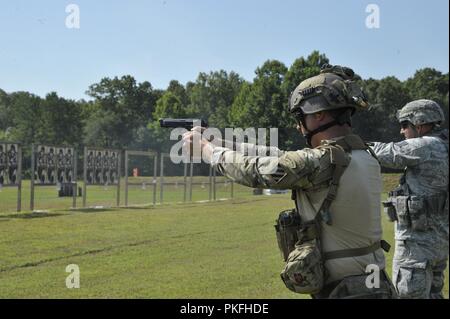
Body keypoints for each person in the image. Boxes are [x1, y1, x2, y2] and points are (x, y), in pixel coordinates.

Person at [183, 64, 396, 299]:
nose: (298, 125)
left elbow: (255, 170)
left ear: (318, 114)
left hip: (347, 291)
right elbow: (277, 155)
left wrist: (206, 150)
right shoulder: (361, 154)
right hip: (372, 284)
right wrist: (218, 141)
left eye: (300, 117)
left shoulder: (323, 160)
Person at [371, 99, 449, 299]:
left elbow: (385, 153)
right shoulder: (444, 145)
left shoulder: (426, 145)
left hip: (416, 250)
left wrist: (351, 144)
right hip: (438, 246)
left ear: (420, 124)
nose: (401, 131)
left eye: (405, 125)